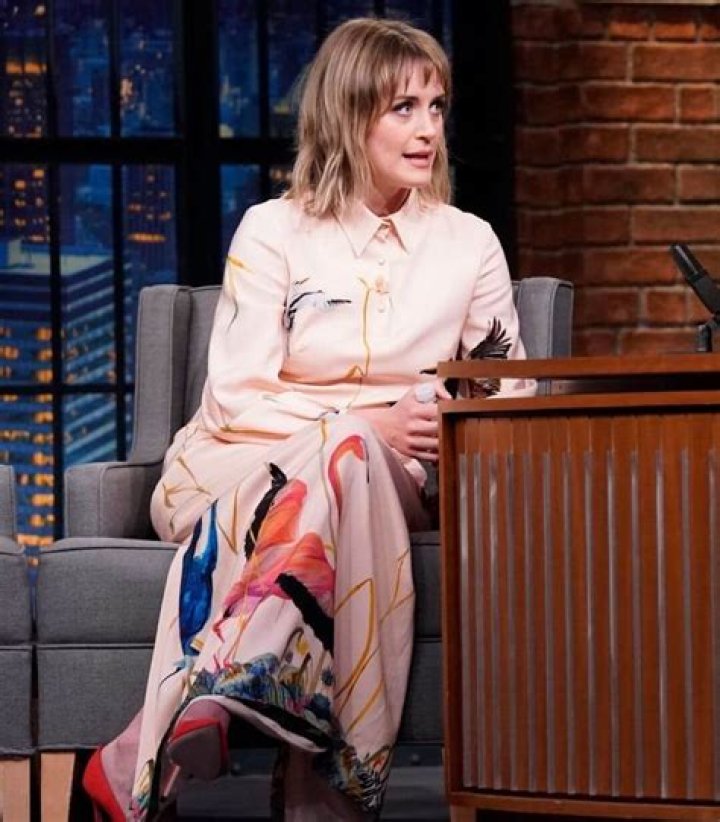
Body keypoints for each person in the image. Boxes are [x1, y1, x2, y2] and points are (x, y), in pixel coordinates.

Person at [82, 15, 533, 822]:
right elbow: (238, 395)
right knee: (350, 450)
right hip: (234, 463)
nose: (428, 129)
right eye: (403, 108)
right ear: (349, 115)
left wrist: (439, 425)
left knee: (353, 456)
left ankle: (194, 706)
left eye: (436, 107)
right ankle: (322, 795)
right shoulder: (274, 230)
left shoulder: (469, 244)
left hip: (399, 477)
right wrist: (369, 417)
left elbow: (507, 389)